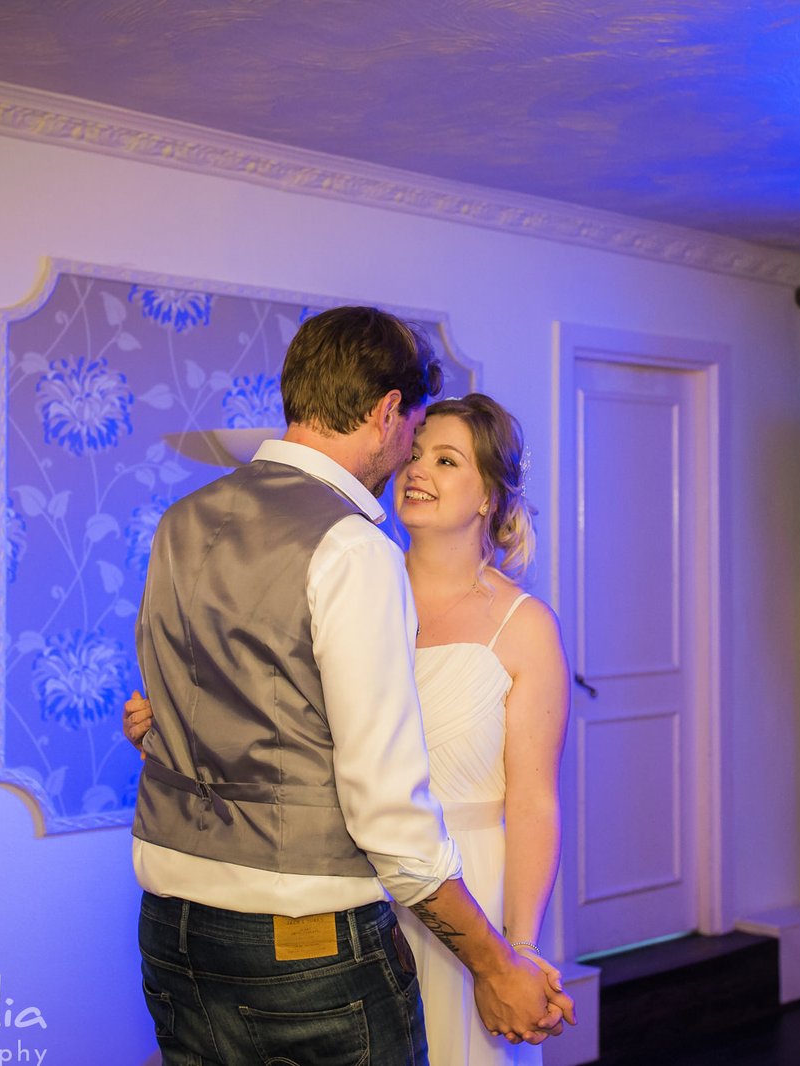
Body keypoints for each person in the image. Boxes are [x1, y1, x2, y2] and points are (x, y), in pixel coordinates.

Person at [131, 307, 571, 1066]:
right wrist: (496, 962)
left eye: (448, 460)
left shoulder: (181, 519)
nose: (412, 463)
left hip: (178, 930)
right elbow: (388, 809)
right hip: (321, 930)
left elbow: (251, 711)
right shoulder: (351, 551)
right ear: (386, 412)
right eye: (415, 440)